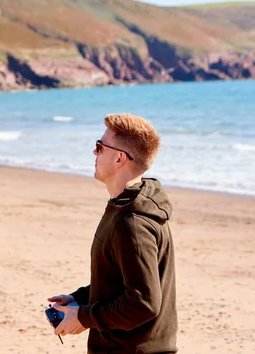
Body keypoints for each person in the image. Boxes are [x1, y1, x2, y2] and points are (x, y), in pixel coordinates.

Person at [47, 113, 177, 354]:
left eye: (99, 147)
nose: (94, 153)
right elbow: (121, 281)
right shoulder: (124, 206)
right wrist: (80, 299)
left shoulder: (133, 223)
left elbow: (143, 303)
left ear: (119, 158)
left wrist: (84, 317)